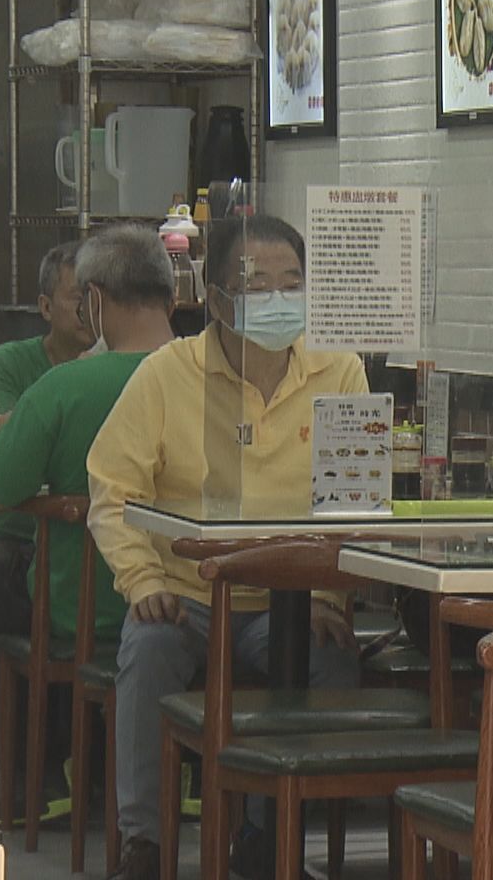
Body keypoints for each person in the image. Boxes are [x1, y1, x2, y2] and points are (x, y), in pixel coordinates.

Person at [87, 215, 366, 880]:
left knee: (329, 660)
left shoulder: (341, 370)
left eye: (292, 284)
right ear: (215, 300)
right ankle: (144, 841)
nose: (278, 300)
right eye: (258, 285)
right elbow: (112, 491)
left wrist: (330, 597)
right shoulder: (166, 374)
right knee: (147, 651)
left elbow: (353, 502)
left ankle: (270, 837)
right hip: (185, 594)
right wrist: (142, 581)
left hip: (290, 599)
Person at [0, 226, 169, 819]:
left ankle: (34, 780)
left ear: (94, 302)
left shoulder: (66, 386)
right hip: (195, 605)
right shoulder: (217, 378)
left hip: (84, 607)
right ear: (173, 294)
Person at [0, 241, 94, 770]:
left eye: (98, 296)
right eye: (77, 296)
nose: (89, 309)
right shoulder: (7, 363)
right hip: (11, 535)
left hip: (89, 537)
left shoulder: (125, 365)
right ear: (44, 307)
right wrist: (65, 395)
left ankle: (73, 756)